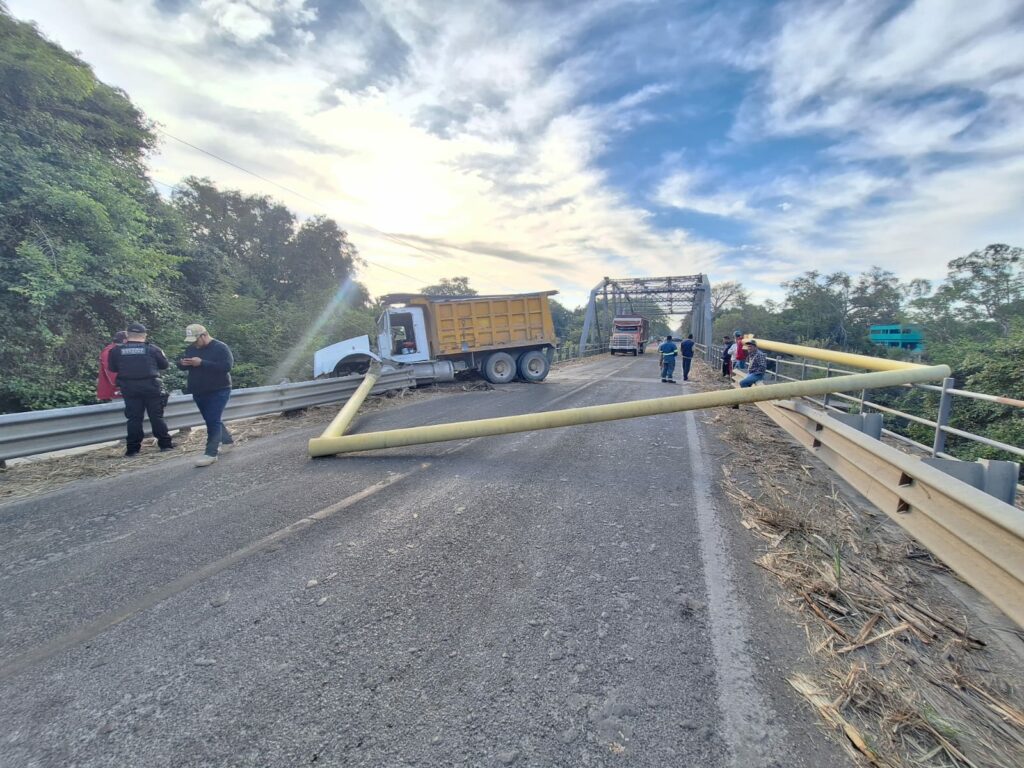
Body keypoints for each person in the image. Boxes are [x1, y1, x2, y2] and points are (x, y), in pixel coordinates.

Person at [107, 323, 174, 456]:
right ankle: (165, 445)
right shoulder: (153, 349)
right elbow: (164, 365)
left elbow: (113, 368)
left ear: (127, 334)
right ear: (144, 335)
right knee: (156, 417)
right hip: (151, 387)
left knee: (134, 419)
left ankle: (133, 449)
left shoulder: (116, 351)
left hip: (129, 388)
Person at [178, 324, 234, 467]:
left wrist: (202, 363)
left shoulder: (220, 347)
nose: (193, 343)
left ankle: (211, 453)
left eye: (195, 339)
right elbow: (185, 364)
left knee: (212, 419)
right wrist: (183, 364)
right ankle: (227, 441)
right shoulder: (191, 348)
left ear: (203, 335)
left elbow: (226, 367)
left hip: (219, 389)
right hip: (199, 390)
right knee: (211, 419)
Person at [732, 339, 767, 408]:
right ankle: (737, 403)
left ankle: (749, 398)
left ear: (755, 347)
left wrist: (754, 373)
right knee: (741, 385)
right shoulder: (752, 353)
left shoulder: (760, 354)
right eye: (748, 346)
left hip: (757, 374)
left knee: (742, 383)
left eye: (750, 346)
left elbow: (763, 367)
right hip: (751, 373)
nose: (749, 348)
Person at [97, 330, 127, 402]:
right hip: (113, 393)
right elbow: (110, 372)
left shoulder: (114, 350)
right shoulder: (109, 351)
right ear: (125, 340)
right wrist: (122, 386)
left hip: (117, 392)